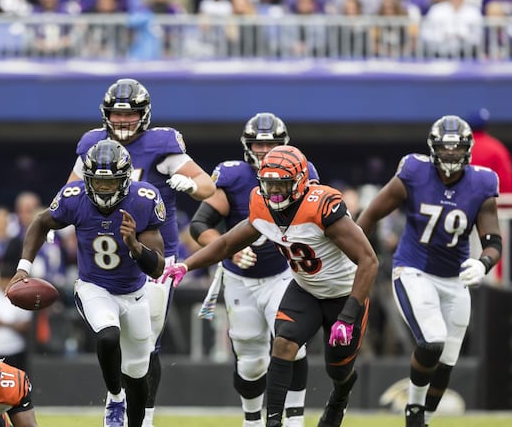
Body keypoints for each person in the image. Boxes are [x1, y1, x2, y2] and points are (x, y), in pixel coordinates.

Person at [158, 146, 379, 427]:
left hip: (344, 292)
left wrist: (348, 317)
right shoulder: (263, 206)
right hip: (306, 288)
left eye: (281, 184)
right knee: (283, 342)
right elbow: (227, 243)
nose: (274, 191)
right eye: (269, 183)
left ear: (299, 183)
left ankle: (339, 398)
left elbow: (369, 261)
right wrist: (187, 265)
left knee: (338, 369)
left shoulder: (321, 207)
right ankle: (273, 420)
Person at [66, 78, 215, 427]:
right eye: (115, 115)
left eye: (129, 114)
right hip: (106, 259)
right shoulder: (93, 144)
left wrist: (190, 184)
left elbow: (207, 186)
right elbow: (71, 189)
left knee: (146, 341)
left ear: (143, 114)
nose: (121, 122)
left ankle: (142, 416)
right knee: (112, 333)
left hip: (154, 258)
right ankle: (115, 401)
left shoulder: (163, 144)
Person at [355, 115, 502, 427]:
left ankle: (425, 419)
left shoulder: (482, 183)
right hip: (414, 269)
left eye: (456, 148)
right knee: (431, 340)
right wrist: (352, 254)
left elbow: (493, 242)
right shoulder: (414, 172)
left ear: (468, 150)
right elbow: (371, 214)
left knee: (447, 361)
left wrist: (483, 263)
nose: (450, 155)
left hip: (455, 280)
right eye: (445, 149)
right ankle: (414, 410)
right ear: (434, 149)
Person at [16, 139, 166, 427]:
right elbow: (40, 223)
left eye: (110, 183)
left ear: (124, 180)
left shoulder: (144, 199)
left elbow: (157, 267)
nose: (103, 189)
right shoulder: (74, 197)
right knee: (108, 336)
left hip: (134, 293)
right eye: (97, 182)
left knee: (137, 374)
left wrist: (134, 245)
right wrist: (24, 268)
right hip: (94, 287)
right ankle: (115, 397)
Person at [188, 113, 318, 427]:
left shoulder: (303, 171)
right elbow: (200, 225)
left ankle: (294, 419)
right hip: (241, 279)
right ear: (247, 145)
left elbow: (318, 220)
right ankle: (252, 421)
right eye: (258, 143)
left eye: (270, 144)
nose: (263, 150)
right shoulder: (232, 176)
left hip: (284, 273)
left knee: (291, 341)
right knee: (250, 361)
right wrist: (230, 250)